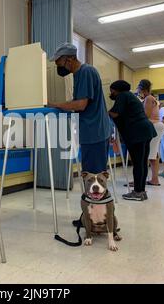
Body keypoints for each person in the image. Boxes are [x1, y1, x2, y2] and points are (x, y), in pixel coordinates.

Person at [48, 43, 112, 223]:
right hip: (93, 132)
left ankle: (98, 220)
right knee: (92, 178)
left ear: (68, 59)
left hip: (95, 133)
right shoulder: (81, 73)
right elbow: (79, 101)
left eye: (59, 62)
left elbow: (81, 104)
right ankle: (91, 217)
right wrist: (64, 104)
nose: (58, 66)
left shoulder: (85, 72)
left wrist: (56, 104)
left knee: (95, 180)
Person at [108, 80, 157, 202]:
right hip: (146, 130)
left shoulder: (122, 95)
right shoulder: (131, 96)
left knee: (137, 163)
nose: (111, 93)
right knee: (142, 163)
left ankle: (137, 192)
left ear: (117, 89)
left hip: (137, 132)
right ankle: (142, 191)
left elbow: (115, 113)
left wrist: (104, 112)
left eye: (112, 91)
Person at [138, 80, 164, 186]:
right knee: (153, 154)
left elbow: (146, 115)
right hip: (156, 126)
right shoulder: (151, 98)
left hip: (153, 126)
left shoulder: (149, 98)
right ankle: (154, 179)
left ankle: (145, 179)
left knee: (149, 154)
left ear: (142, 89)